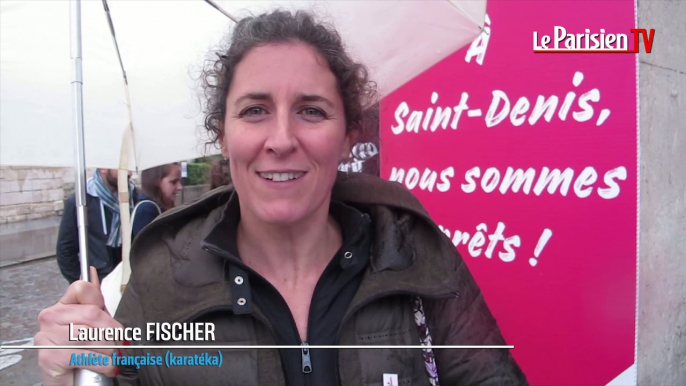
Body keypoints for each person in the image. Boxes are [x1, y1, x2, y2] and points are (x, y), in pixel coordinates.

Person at [37, 10, 528, 385]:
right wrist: (75, 372)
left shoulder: (416, 255)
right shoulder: (162, 277)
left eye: (311, 111)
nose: (281, 139)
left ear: (349, 133)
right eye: (254, 110)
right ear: (223, 137)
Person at [55, 168, 158, 284]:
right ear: (103, 168)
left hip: (130, 285)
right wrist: (84, 284)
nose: (129, 173)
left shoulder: (137, 199)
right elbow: (65, 251)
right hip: (98, 284)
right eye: (122, 167)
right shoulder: (80, 202)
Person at [132, 163, 183, 239]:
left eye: (179, 181)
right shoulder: (147, 210)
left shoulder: (162, 206)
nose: (180, 187)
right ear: (156, 181)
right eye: (173, 182)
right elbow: (147, 248)